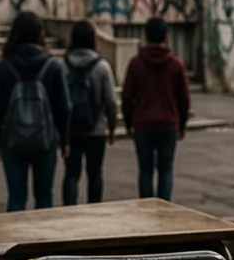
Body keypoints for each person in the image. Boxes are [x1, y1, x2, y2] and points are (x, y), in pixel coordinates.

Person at [0, 11, 70, 211]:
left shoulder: (5, 67)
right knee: (44, 196)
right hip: (46, 140)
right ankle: (41, 241)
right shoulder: (52, 66)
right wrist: (65, 140)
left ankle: (16, 241)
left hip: (12, 140)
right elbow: (63, 106)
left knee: (16, 197)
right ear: (40, 34)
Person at [121, 16, 190, 201]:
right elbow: (184, 98)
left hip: (143, 123)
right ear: (167, 36)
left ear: (145, 35)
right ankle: (164, 207)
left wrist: (129, 123)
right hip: (168, 123)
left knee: (145, 169)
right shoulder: (176, 64)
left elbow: (127, 97)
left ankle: (146, 207)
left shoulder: (136, 63)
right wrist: (182, 124)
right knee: (166, 169)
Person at [61, 20, 117, 206]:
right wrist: (112, 126)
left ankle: (68, 210)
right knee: (95, 173)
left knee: (71, 173)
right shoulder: (102, 67)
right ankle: (94, 210)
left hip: (70, 129)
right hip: (96, 129)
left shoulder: (63, 65)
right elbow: (110, 100)